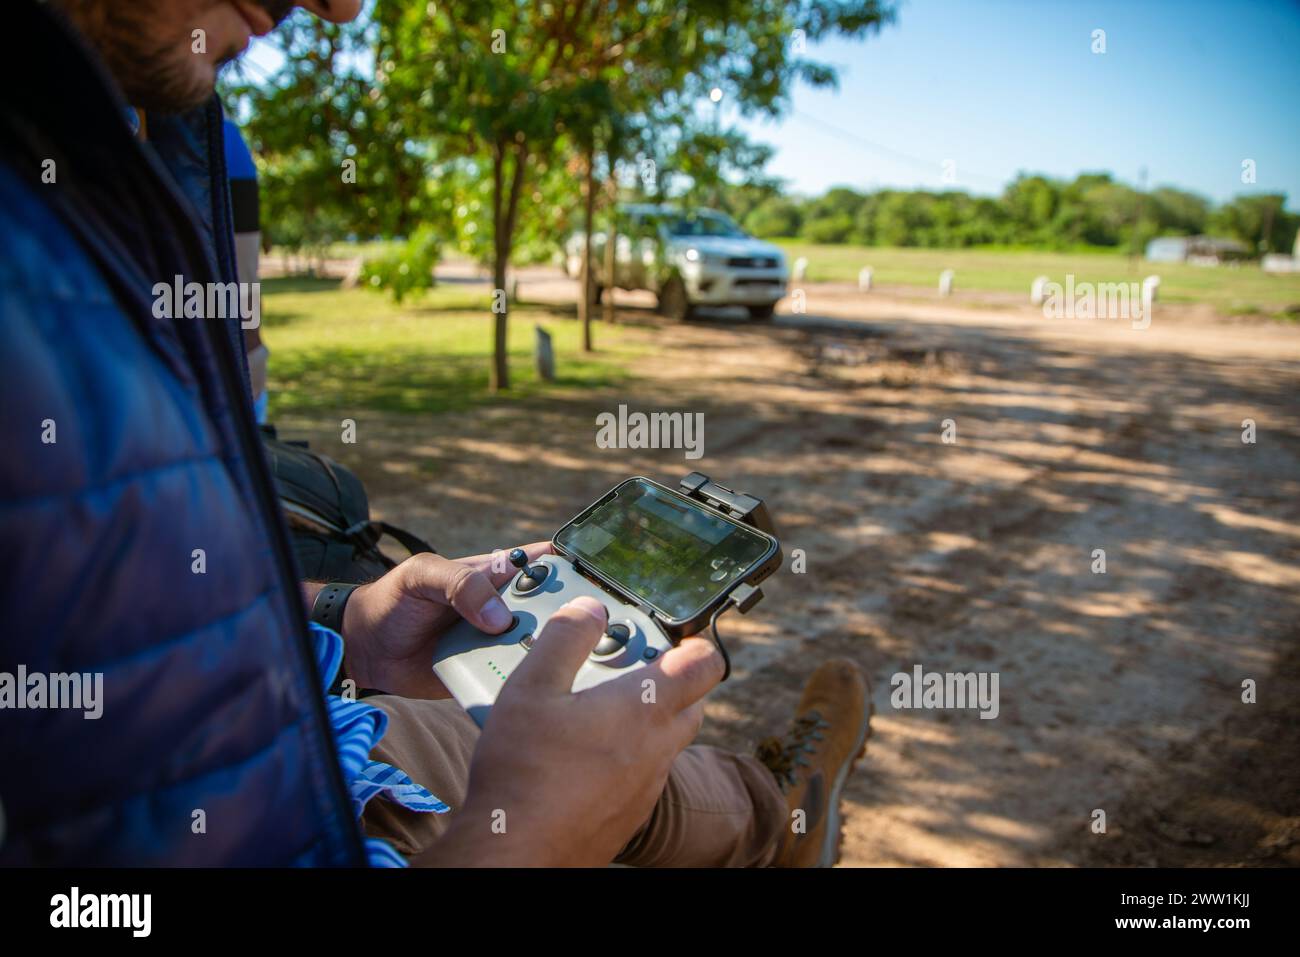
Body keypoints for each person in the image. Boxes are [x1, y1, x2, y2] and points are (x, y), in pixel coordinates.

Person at [0, 0, 871, 868]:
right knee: (577, 774)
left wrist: (346, 629)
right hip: (291, 803)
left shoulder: (80, 154)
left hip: (300, 721)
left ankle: (780, 815)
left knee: (580, 743)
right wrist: (530, 838)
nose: (340, 9)